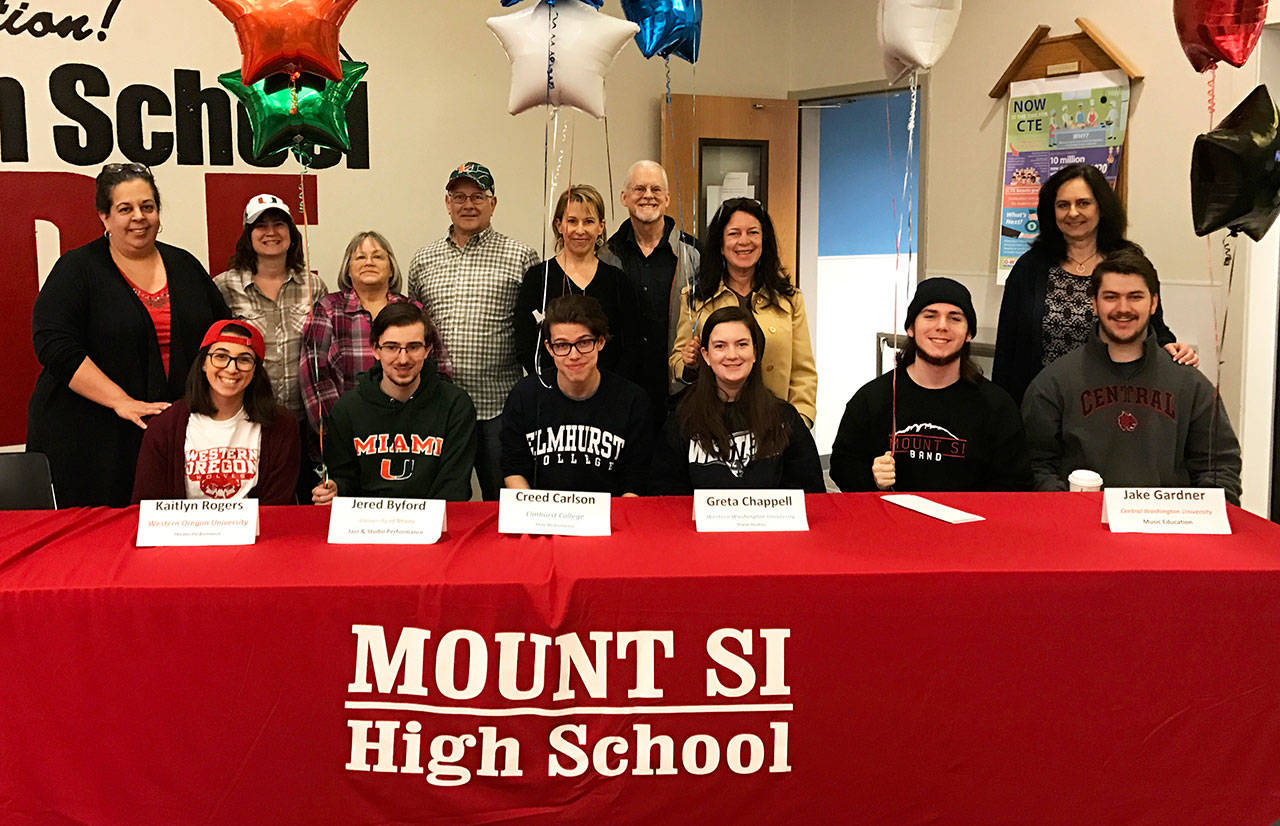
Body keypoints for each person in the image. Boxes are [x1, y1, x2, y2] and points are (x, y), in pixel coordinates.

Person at [27, 162, 230, 507]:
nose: (139, 216)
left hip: (164, 433)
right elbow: (54, 345)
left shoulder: (185, 266)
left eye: (147, 206)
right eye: (125, 208)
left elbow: (220, 333)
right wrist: (121, 401)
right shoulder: (77, 269)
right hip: (87, 436)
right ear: (104, 216)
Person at [1022, 247, 1242, 503]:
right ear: (1094, 303)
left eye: (1135, 296)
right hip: (1081, 531)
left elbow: (1218, 468)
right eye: (1111, 297)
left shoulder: (1190, 384)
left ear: (1154, 303)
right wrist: (1067, 512)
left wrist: (1207, 522)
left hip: (1166, 533)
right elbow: (1035, 467)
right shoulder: (1053, 383)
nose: (1123, 308)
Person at [994, 163, 1196, 405]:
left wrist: (1174, 348)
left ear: (1101, 207)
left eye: (1083, 203)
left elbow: (1154, 328)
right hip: (1042, 403)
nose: (1073, 213)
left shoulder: (1129, 262)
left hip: (1110, 403)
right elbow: (1007, 346)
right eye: (1062, 205)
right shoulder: (1030, 268)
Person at [407, 161, 539, 500]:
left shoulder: (522, 256)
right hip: (440, 406)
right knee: (442, 500)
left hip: (500, 405)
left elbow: (533, 332)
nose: (468, 204)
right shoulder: (423, 260)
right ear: (447, 202)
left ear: (493, 203)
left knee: (505, 501)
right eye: (460, 196)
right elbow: (413, 332)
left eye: (478, 196)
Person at [829, 278, 1031, 492]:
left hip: (969, 523)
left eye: (954, 318)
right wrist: (871, 479)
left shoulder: (997, 406)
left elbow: (1016, 484)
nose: (942, 326)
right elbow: (842, 467)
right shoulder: (872, 399)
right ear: (911, 328)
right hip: (891, 522)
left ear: (968, 334)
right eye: (930, 316)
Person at [214, 194, 326, 501]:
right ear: (248, 236)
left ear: (292, 234)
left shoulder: (313, 286)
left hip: (303, 422)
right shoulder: (224, 286)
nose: (271, 232)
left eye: (279, 224)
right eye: (260, 225)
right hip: (247, 420)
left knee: (304, 506)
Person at [670, 197, 817, 425]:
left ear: (764, 241)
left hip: (775, 424)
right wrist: (689, 363)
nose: (744, 241)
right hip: (714, 424)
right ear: (720, 243)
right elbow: (677, 362)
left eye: (753, 233)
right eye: (734, 233)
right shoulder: (695, 298)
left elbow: (803, 374)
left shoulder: (789, 300)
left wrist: (799, 423)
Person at [312, 303, 477, 504]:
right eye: (391, 347)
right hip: (366, 526)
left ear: (428, 350)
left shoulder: (456, 405)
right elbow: (345, 479)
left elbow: (454, 488)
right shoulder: (347, 409)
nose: (403, 359)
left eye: (414, 347)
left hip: (434, 526)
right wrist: (335, 491)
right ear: (375, 349)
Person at [652, 306, 824, 494]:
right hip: (696, 523)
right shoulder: (681, 418)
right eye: (720, 346)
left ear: (756, 353)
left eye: (742, 344)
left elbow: (810, 492)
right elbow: (665, 495)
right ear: (706, 356)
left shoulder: (784, 417)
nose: (732, 355)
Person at [300, 230, 448, 441]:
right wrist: (338, 431)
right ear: (347, 269)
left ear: (391, 268)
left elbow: (439, 369)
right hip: (345, 437)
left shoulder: (413, 310)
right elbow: (314, 380)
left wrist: (421, 427)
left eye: (378, 256)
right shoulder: (327, 310)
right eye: (360, 257)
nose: (369, 262)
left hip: (410, 438)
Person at [131, 320, 299, 504]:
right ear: (204, 363)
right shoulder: (165, 426)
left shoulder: (281, 425)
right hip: (183, 532)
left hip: (255, 532)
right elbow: (147, 508)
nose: (231, 368)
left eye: (244, 360)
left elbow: (278, 508)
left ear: (256, 371)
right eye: (220, 356)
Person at [502, 295, 651, 497]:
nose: (573, 355)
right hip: (543, 518)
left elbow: (635, 481)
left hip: (610, 520)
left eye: (583, 343)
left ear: (600, 342)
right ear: (549, 348)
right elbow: (513, 470)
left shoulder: (632, 400)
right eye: (562, 345)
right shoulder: (524, 396)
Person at [515, 184, 641, 385]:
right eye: (572, 221)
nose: (580, 230)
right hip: (551, 393)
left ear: (601, 226)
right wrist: (552, 383)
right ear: (559, 224)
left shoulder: (618, 281)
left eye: (589, 221)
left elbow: (632, 345)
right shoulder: (538, 278)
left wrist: (609, 388)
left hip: (608, 396)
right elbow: (525, 342)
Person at [606, 160, 700, 424]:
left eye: (656, 189)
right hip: (621, 393)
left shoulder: (693, 254)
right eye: (639, 189)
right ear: (624, 197)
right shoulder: (605, 255)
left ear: (667, 198)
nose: (648, 195)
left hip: (678, 394)